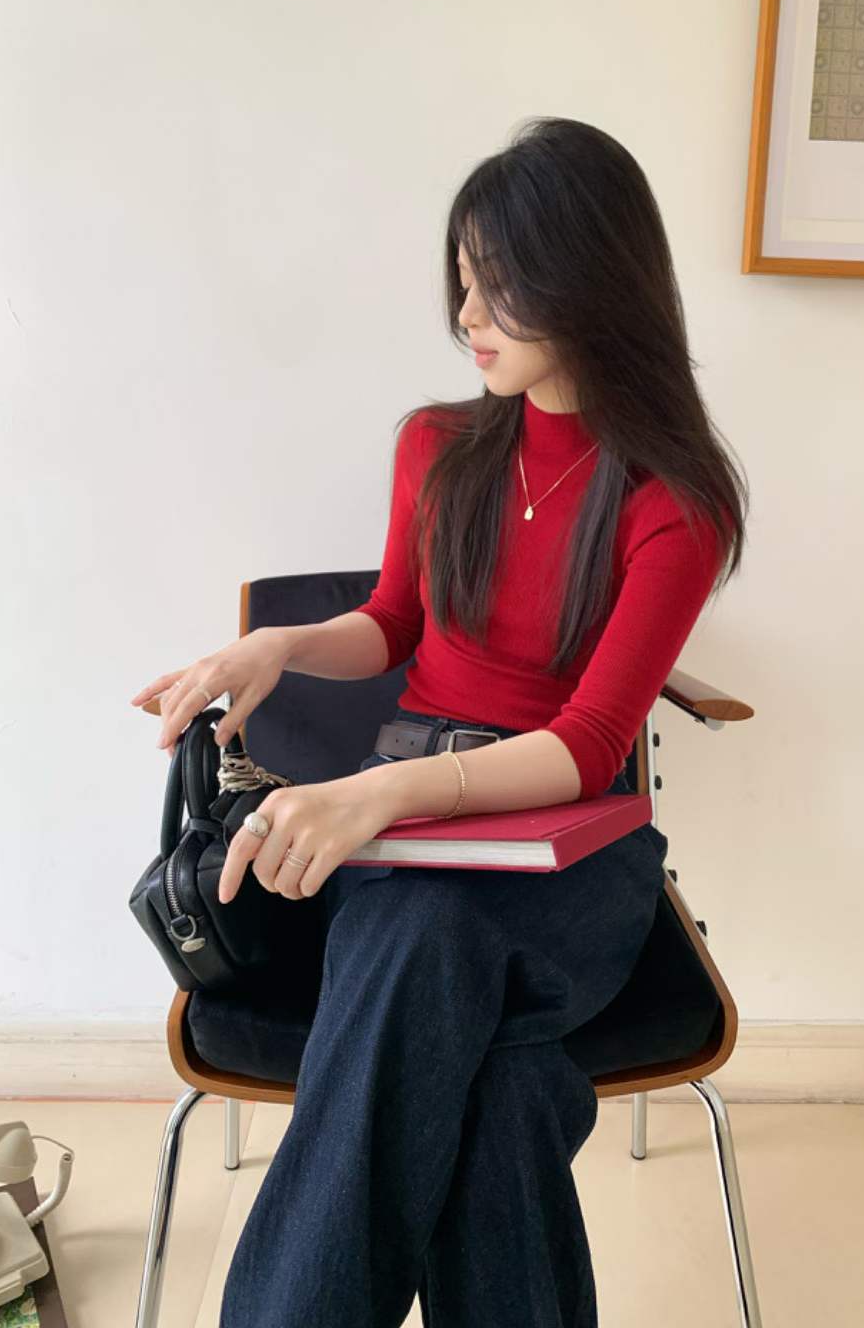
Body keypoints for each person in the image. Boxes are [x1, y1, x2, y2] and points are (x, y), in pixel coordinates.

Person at [129, 116, 748, 1327]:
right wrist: (282, 647)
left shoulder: (674, 501)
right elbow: (394, 623)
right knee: (504, 1077)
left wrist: (381, 794)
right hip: (415, 835)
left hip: (572, 849)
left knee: (423, 942)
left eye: (498, 283)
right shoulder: (439, 446)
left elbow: (587, 744)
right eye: (462, 280)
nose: (468, 313)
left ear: (589, 276)